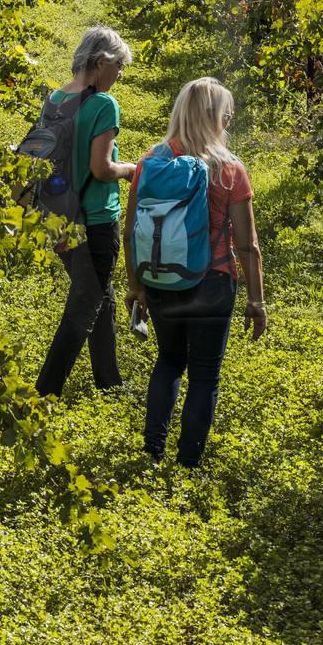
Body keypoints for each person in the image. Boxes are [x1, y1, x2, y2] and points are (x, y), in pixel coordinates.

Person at [126, 77, 266, 469]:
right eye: (227, 112)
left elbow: (130, 229)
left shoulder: (150, 161)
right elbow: (247, 245)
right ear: (215, 116)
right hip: (215, 280)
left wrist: (136, 285)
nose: (229, 119)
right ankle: (188, 463)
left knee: (169, 361)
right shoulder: (230, 169)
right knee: (205, 374)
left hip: (161, 278)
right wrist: (256, 302)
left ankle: (152, 452)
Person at [35, 27, 138, 398]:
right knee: (81, 310)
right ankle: (43, 395)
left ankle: (110, 384)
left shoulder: (56, 98)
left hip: (58, 220)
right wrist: (130, 169)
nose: (121, 74)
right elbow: (101, 168)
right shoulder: (103, 105)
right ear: (101, 62)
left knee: (101, 298)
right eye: (120, 66)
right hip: (95, 220)